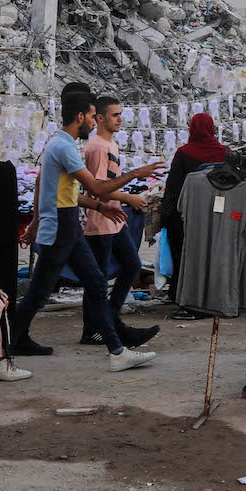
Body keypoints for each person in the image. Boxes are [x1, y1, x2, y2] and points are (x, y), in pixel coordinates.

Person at [8, 90, 163, 369]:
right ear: (80, 116)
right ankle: (2, 349)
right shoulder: (65, 147)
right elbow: (97, 187)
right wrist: (136, 174)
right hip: (60, 228)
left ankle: (116, 349)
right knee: (40, 293)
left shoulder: (58, 144)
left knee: (94, 282)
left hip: (67, 225)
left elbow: (55, 188)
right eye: (92, 117)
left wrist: (100, 208)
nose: (94, 122)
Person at [77, 95, 160, 348]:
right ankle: (97, 328)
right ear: (100, 118)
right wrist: (129, 197)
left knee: (130, 265)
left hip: (113, 218)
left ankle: (108, 321)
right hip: (101, 219)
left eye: (121, 114)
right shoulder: (98, 147)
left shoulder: (108, 145)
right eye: (115, 115)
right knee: (98, 279)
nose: (120, 119)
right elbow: (98, 188)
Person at [156, 111, 229, 319]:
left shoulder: (184, 153)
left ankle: (184, 294)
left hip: (187, 217)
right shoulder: (225, 152)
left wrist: (166, 218)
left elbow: (172, 190)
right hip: (218, 216)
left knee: (185, 255)